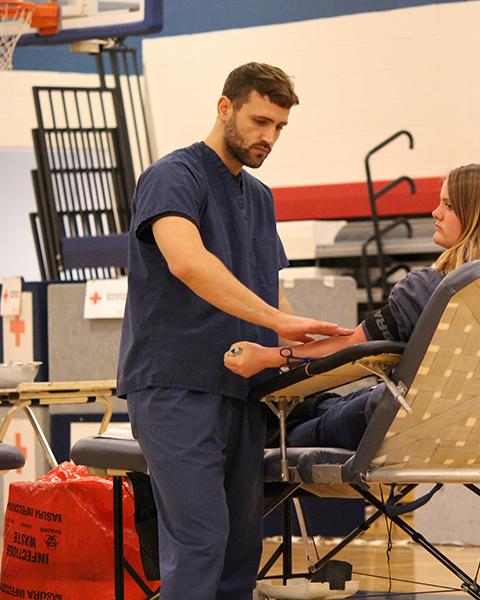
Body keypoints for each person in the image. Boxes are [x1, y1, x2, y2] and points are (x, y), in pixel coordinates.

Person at [117, 63, 352, 600]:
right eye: (260, 121)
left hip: (245, 393)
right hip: (176, 386)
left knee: (240, 550)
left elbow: (272, 294)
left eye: (279, 128)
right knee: (201, 541)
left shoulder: (262, 198)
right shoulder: (172, 175)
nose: (268, 137)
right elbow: (187, 262)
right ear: (225, 108)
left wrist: (302, 348)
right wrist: (279, 323)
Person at [225, 162, 480, 450]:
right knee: (332, 404)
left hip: (409, 422)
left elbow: (353, 349)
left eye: (448, 205)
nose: (436, 213)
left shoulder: (431, 289)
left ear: (479, 218)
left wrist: (266, 357)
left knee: (273, 437)